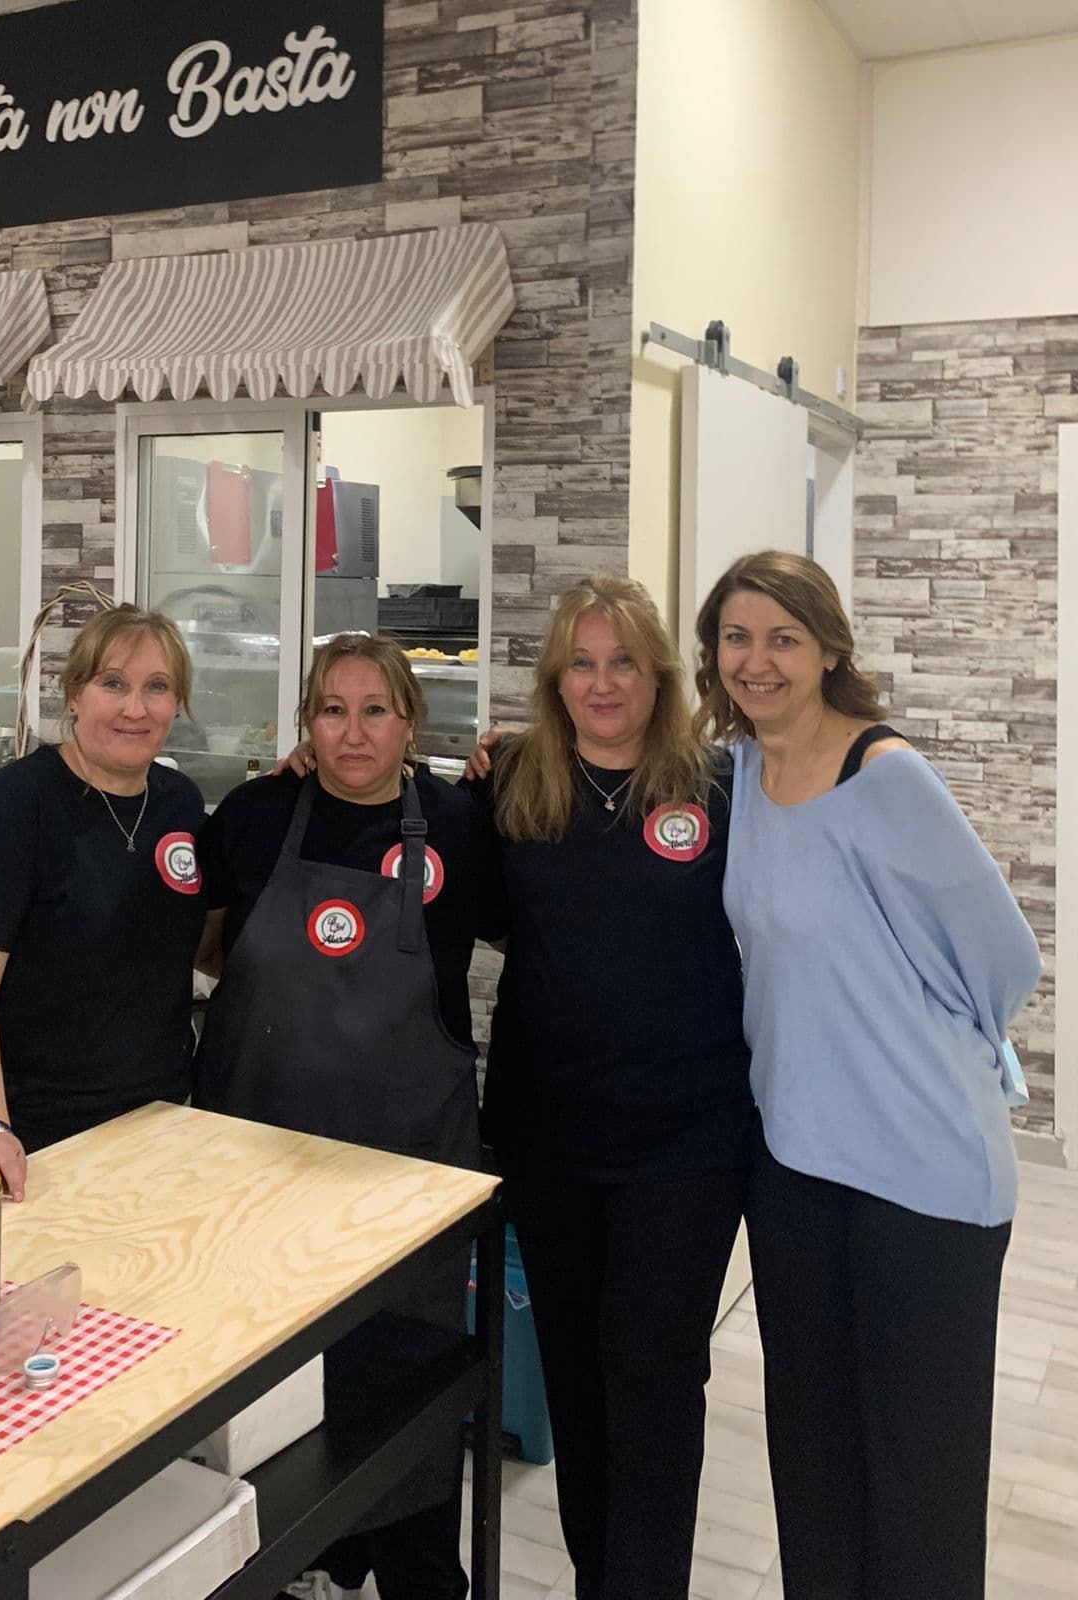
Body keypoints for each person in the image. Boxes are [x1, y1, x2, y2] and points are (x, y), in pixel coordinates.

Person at [693, 551, 1041, 1600]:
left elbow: (1003, 958)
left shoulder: (884, 774)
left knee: (919, 1483)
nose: (757, 660)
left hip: (922, 1169)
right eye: (737, 636)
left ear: (830, 648)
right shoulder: (739, 771)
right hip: (796, 1164)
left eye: (783, 637)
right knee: (814, 1460)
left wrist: (916, 1042)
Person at [469, 572, 753, 1600]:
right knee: (580, 1375)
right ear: (556, 675)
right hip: (549, 1136)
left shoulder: (721, 785)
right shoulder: (509, 785)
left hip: (686, 1139)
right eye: (582, 661)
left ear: (660, 671)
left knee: (656, 1367)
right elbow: (476, 904)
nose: (602, 681)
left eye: (624, 659)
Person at [193, 632, 490, 1600]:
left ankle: (407, 1567)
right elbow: (198, 949)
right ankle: (285, 1564)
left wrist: (513, 756)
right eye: (332, 708)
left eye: (375, 708)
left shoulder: (461, 823)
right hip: (256, 1170)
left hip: (404, 1180)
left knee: (401, 1388)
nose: (352, 731)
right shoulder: (252, 815)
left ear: (412, 721)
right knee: (267, 1397)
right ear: (304, 724)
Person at [0, 605, 206, 1199]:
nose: (135, 708)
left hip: (152, 1124)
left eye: (157, 687)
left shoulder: (179, 803)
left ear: (177, 703)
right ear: (73, 694)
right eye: (113, 684)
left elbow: (197, 941)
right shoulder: (18, 804)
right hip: (30, 1134)